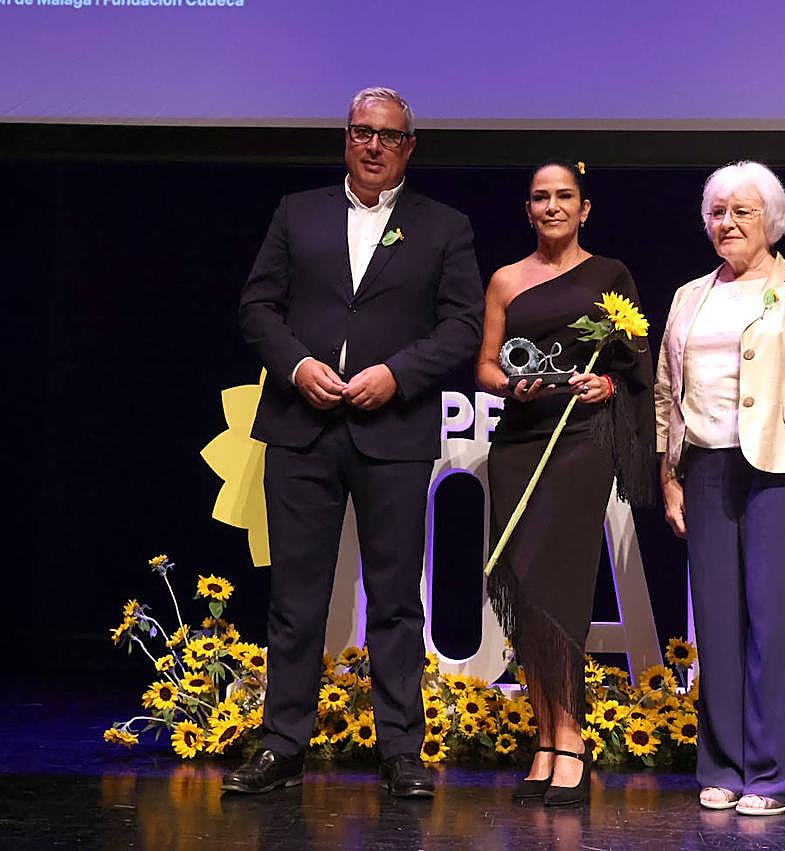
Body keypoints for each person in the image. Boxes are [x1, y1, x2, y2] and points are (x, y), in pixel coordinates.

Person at [227, 87, 484, 797]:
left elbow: (462, 327)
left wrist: (396, 375)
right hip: (300, 427)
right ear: (346, 138)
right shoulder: (297, 211)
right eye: (360, 132)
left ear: (409, 147)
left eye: (388, 135)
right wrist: (298, 365)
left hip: (391, 432)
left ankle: (400, 750)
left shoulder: (445, 226)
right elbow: (256, 306)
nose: (373, 145)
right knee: (295, 597)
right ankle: (283, 744)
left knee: (396, 599)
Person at [654, 161, 785, 815]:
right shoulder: (691, 294)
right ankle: (724, 763)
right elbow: (667, 392)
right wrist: (668, 474)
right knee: (717, 621)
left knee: (779, 626)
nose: (727, 223)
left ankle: (776, 776)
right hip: (708, 468)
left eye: (742, 211)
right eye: (717, 211)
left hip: (784, 470)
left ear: (771, 219)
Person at [477, 160, 655, 806]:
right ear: (527, 209)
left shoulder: (611, 278)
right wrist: (509, 384)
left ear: (585, 209)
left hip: (582, 443)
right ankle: (544, 736)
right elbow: (487, 366)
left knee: (562, 583)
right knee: (524, 584)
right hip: (520, 442)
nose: (552, 206)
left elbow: (633, 364)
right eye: (539, 197)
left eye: (564, 197)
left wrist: (605, 383)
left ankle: (573, 737)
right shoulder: (504, 280)